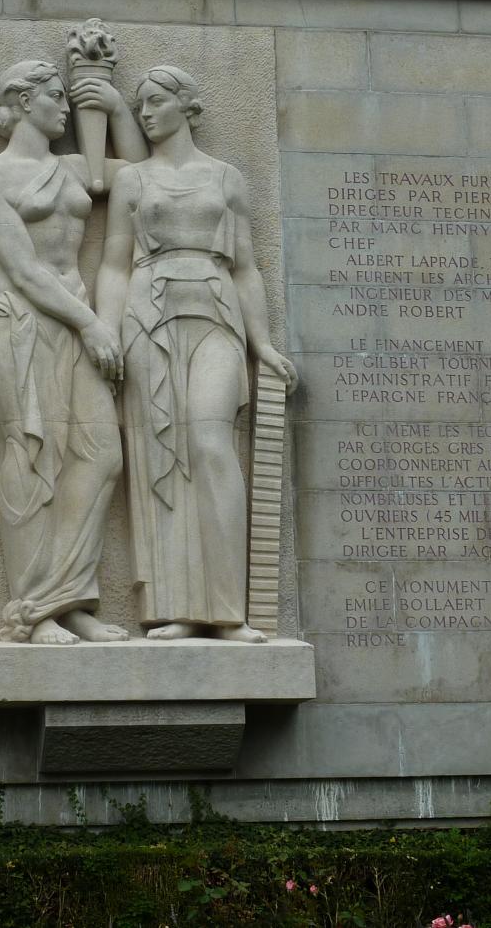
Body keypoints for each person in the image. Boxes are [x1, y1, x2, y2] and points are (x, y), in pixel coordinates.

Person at [95, 66, 297, 642]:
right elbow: (112, 264)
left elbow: (248, 268)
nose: (145, 113)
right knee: (163, 456)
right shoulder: (132, 181)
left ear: (187, 106)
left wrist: (262, 344)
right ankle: (178, 608)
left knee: (210, 444)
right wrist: (106, 332)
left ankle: (227, 611)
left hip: (215, 312)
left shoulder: (227, 178)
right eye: (139, 106)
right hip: (147, 318)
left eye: (156, 101)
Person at [0, 60, 147, 644]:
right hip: (14, 316)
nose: (66, 108)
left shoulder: (73, 167)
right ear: (22, 101)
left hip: (76, 317)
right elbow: (21, 268)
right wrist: (93, 325)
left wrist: (117, 108)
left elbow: (145, 179)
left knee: (100, 457)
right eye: (54, 96)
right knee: (32, 455)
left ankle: (65, 599)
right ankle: (34, 609)